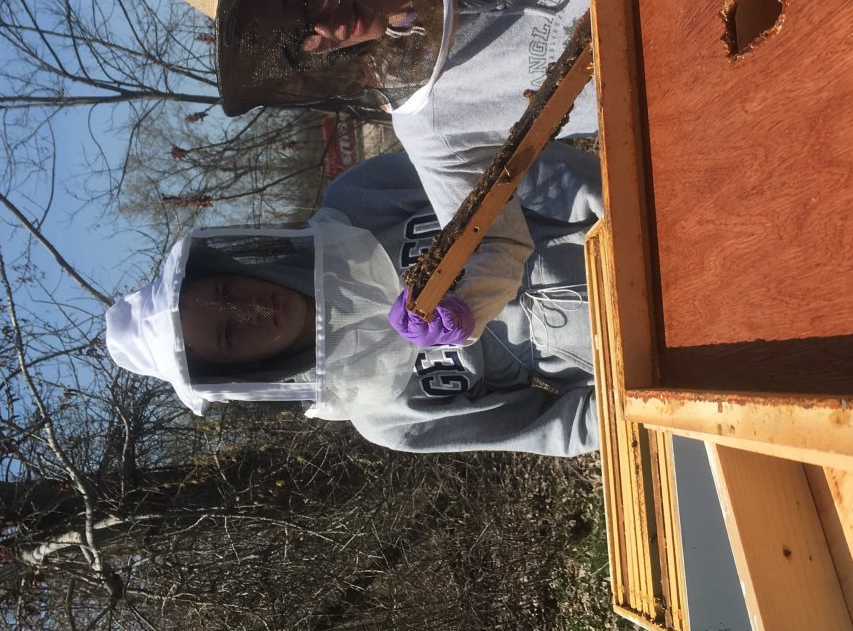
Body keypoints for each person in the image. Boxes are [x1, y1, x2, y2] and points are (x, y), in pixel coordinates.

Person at [151, 0, 595, 346]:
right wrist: (456, 305)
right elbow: (495, 247)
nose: (323, 25)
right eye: (296, 38)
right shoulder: (429, 118)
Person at [105, 144, 601, 456]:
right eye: (229, 334)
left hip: (614, 222)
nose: (251, 309)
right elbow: (552, 428)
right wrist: (646, 395)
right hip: (615, 357)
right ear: (245, 371)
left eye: (225, 292)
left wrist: (613, 203)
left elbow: (510, 173)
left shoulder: (358, 198)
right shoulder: (387, 421)